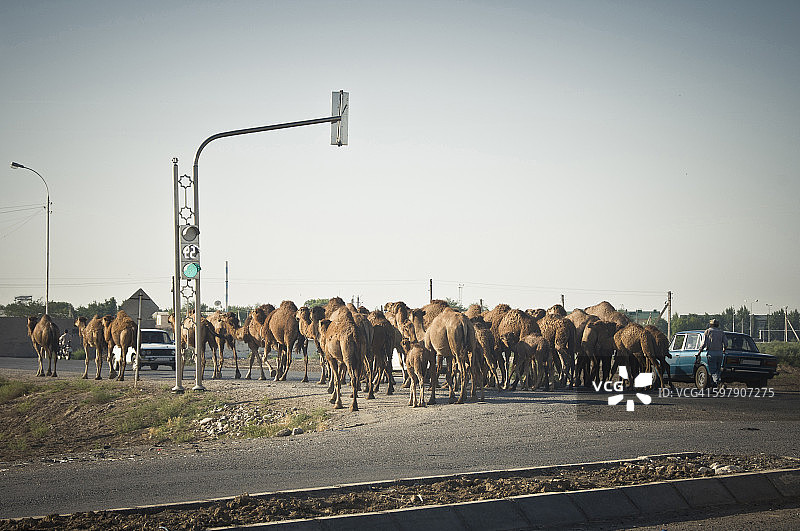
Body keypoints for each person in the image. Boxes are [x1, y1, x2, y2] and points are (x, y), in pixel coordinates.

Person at [696, 318, 726, 387]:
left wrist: (699, 352)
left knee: (713, 371)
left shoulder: (707, 332)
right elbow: (726, 343)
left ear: (710, 324)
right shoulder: (721, 332)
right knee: (718, 370)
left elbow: (703, 343)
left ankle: (719, 382)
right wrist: (724, 349)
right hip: (720, 353)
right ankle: (714, 386)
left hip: (711, 353)